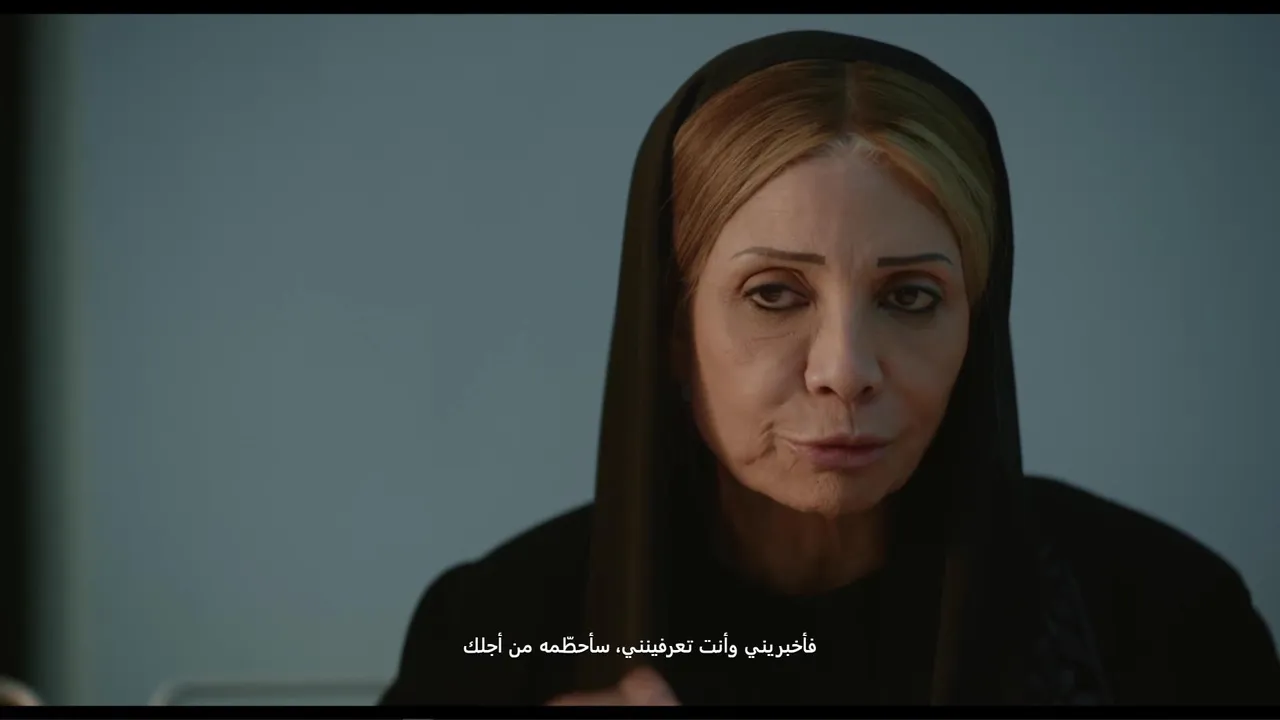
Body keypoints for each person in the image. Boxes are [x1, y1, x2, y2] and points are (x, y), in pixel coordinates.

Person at [380, 30, 1280, 706]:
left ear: (978, 323)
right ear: (671, 327)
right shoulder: (495, 632)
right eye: (774, 293)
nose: (845, 372)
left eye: (911, 297)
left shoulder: (1162, 618)